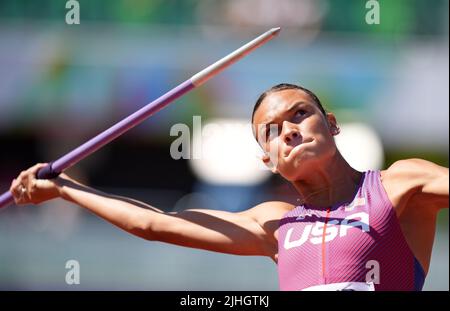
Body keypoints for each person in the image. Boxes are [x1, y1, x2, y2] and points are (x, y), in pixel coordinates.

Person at [10, 83, 448, 291]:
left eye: (299, 115)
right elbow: (154, 223)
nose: (289, 132)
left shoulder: (399, 185)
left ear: (331, 124)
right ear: (269, 161)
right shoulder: (274, 225)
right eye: (272, 132)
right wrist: (65, 189)